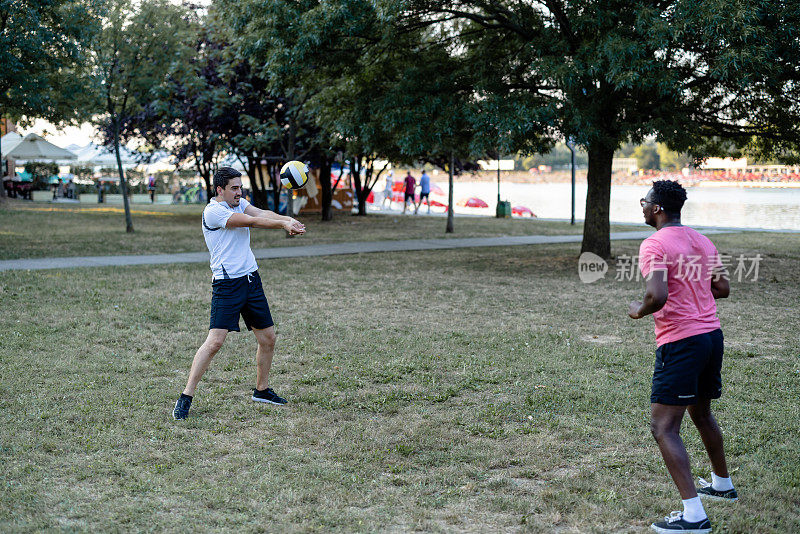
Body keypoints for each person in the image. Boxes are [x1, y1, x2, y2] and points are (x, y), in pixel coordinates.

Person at [628, 180, 736, 534]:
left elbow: (655, 295)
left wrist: (638, 311)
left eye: (645, 202)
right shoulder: (702, 241)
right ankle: (722, 485)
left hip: (682, 342)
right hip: (711, 337)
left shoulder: (655, 244)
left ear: (657, 208)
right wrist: (692, 293)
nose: (642, 206)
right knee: (701, 413)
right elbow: (722, 287)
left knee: (663, 426)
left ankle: (694, 516)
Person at [172, 167, 306, 420]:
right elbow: (253, 222)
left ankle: (262, 390)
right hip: (227, 285)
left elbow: (261, 212)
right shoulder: (213, 212)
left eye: (240, 187)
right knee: (215, 342)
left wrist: (286, 219)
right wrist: (283, 224)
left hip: (251, 279)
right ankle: (185, 397)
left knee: (268, 339)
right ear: (219, 190)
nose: (239, 191)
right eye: (234, 188)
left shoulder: (239, 203)